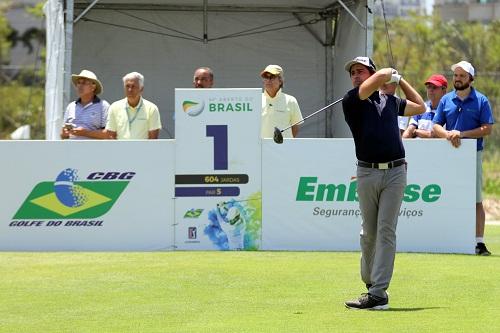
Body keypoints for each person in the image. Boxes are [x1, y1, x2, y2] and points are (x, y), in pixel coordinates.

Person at [342, 56, 425, 310]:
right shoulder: (352, 100)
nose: (356, 75)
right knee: (369, 233)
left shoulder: (391, 102)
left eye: (361, 71)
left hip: (395, 172)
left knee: (386, 230)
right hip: (367, 173)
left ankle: (378, 293)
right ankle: (370, 283)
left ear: (371, 72)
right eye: (353, 72)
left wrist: (400, 81)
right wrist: (386, 74)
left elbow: (420, 107)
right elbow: (374, 83)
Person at [432, 61, 495, 256]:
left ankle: (479, 242)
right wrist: (449, 135)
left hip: (472, 155)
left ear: (471, 79)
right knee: (446, 198)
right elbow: (436, 126)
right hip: (448, 156)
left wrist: (462, 134)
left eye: (462, 76)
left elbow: (487, 128)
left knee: (476, 200)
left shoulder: (481, 100)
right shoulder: (446, 100)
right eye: (455, 75)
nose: (457, 79)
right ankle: (447, 238)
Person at [106, 72, 162, 139]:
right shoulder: (114, 107)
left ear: (141, 89)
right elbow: (111, 136)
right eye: (127, 86)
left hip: (143, 149)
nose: (130, 90)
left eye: (133, 86)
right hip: (120, 149)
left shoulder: (152, 108)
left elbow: (153, 139)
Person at [61, 70, 109, 140]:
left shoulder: (103, 106)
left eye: (84, 83)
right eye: (78, 83)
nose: (80, 86)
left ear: (93, 87)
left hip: (93, 150)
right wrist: (64, 133)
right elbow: (62, 135)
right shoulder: (71, 106)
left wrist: (85, 133)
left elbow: (108, 134)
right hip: (72, 149)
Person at [260, 64, 303, 139]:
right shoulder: (256, 99)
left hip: (283, 147)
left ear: (280, 81)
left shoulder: (291, 100)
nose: (268, 80)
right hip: (261, 147)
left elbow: (295, 127)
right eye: (266, 77)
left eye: (272, 77)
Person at [403, 74, 448, 138]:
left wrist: (416, 131)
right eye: (429, 87)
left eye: (434, 87)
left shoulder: (449, 110)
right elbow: (409, 131)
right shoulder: (421, 108)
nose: (431, 90)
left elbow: (434, 135)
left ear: (444, 90)